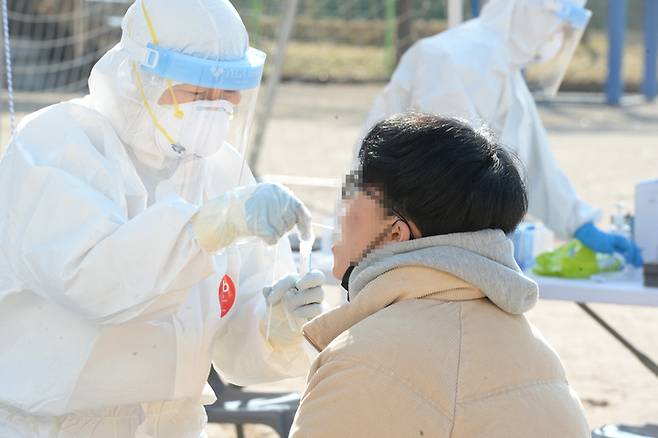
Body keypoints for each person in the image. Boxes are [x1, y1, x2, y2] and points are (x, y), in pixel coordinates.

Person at [0, 0, 325, 436]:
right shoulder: (59, 146)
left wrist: (274, 326)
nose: (216, 107)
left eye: (227, 94)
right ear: (142, 79)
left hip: (176, 424)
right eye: (198, 92)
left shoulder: (220, 169)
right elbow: (96, 282)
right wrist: (205, 229)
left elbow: (232, 338)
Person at [290, 113, 590, 437]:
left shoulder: (358, 361)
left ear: (395, 234)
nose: (342, 212)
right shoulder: (538, 352)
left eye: (356, 192)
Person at [361, 0, 642, 266]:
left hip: (436, 245)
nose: (558, 34)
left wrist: (579, 223)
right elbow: (443, 171)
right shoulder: (451, 57)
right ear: (532, 11)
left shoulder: (506, 72)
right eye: (558, 21)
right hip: (395, 239)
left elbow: (534, 164)